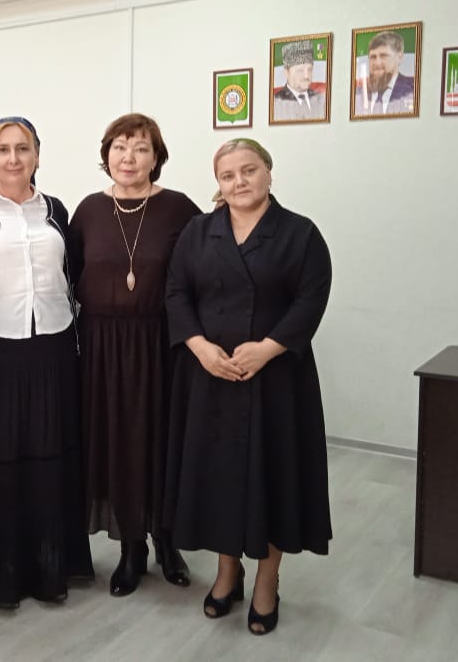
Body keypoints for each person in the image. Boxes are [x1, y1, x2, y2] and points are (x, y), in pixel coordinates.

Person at [164, 138, 332, 636]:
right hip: (211, 376)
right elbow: (176, 293)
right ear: (218, 183)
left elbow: (311, 299)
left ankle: (267, 580)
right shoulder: (198, 231)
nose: (239, 182)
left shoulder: (300, 234)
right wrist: (199, 347)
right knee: (220, 478)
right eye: (228, 175)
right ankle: (227, 572)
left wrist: (268, 348)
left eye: (249, 170)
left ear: (269, 173)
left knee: (273, 478)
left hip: (277, 378)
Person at [0, 115, 94, 609]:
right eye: (3, 149)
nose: (13, 158)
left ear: (37, 155)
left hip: (53, 348)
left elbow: (75, 272)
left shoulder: (56, 210)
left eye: (22, 148)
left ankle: (50, 567)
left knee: (51, 456)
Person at [70, 113, 200, 597]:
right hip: (102, 348)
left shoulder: (180, 209)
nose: (129, 157)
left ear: (156, 158)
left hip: (160, 342)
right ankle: (131, 548)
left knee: (162, 441)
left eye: (141, 148)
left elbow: (203, 270)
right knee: (118, 444)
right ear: (106, 155)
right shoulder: (87, 211)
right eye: (120, 147)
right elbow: (68, 275)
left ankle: (167, 540)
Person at [354, 30, 416, 115]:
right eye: (373, 57)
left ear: (399, 57)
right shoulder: (357, 93)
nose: (377, 63)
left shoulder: (413, 89)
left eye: (383, 56)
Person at [271, 40, 327, 122]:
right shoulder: (275, 102)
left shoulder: (320, 97)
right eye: (300, 71)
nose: (306, 76)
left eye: (309, 69)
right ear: (286, 72)